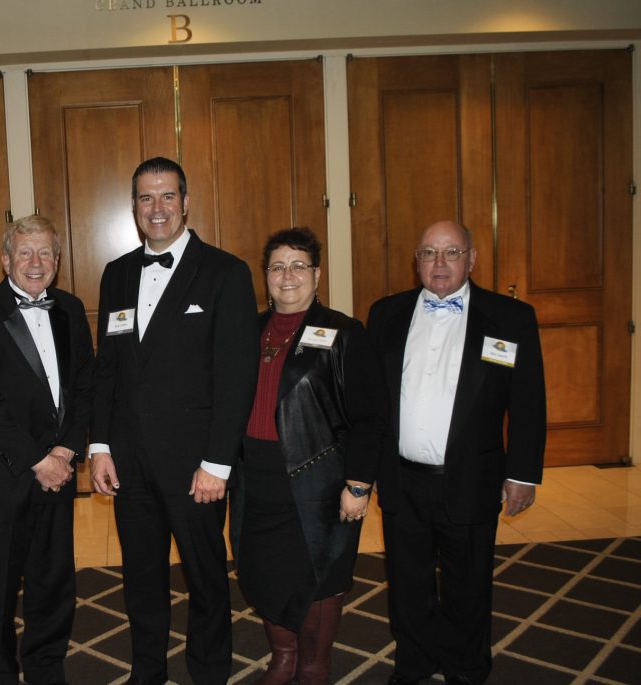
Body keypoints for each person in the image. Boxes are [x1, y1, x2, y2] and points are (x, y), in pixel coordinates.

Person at [90, 156, 259, 685]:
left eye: (167, 196)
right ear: (134, 208)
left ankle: (209, 674)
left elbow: (237, 377)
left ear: (186, 203)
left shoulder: (226, 273)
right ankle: (148, 673)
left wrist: (217, 464)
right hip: (130, 464)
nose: (157, 208)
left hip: (196, 468)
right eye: (146, 198)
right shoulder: (116, 274)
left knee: (206, 581)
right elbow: (107, 369)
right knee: (141, 580)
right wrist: (99, 445)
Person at [366, 220, 546, 685]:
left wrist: (523, 474)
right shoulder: (385, 314)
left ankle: (467, 668)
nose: (439, 263)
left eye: (451, 252)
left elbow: (527, 404)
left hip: (471, 476)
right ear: (416, 261)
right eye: (429, 253)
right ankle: (415, 662)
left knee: (468, 585)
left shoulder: (510, 317)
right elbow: (373, 404)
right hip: (403, 479)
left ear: (472, 259)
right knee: (408, 585)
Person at [231, 228, 387, 685]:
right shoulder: (248, 330)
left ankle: (313, 666)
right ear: (266, 276)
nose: (288, 275)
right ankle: (283, 654)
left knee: (318, 577)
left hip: (318, 486)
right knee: (263, 571)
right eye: (278, 266)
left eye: (299, 265)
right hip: (254, 482)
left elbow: (370, 417)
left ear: (317, 274)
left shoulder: (344, 332)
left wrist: (358, 484)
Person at [0, 214, 94, 685]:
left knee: (54, 580)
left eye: (45, 253)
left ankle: (45, 665)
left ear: (57, 261)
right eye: (25, 252)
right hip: (4, 476)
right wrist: (38, 459)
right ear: (5, 260)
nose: (35, 263)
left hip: (57, 471)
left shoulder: (72, 309)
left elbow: (84, 386)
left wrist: (64, 452)